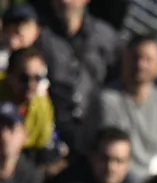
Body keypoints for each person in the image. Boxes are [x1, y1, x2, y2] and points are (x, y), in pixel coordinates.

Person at [93, 35, 157, 183]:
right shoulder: (108, 100)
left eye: (148, 60)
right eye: (135, 58)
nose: (140, 65)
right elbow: (111, 147)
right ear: (124, 61)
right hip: (122, 175)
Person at [35, 0, 122, 150]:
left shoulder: (105, 36)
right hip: (52, 123)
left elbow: (120, 77)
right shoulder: (39, 34)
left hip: (94, 124)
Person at [0, 47, 63, 170]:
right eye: (24, 78)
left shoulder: (42, 107)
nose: (31, 85)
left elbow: (42, 145)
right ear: (9, 74)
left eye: (37, 78)